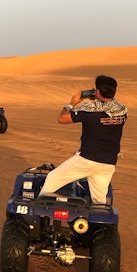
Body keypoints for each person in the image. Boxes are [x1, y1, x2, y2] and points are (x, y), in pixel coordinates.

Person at [39, 75, 127, 205]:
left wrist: (72, 103)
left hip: (87, 160)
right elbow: (106, 112)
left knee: (53, 177)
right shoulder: (122, 111)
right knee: (99, 202)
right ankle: (99, 218)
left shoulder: (89, 111)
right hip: (108, 163)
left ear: (98, 91)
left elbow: (62, 118)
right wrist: (99, 98)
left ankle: (41, 208)